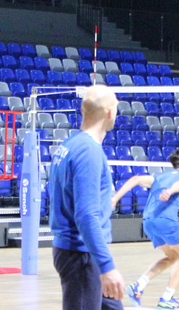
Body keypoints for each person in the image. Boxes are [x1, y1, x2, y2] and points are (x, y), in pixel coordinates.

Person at [49, 85, 126, 310]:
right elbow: (86, 215)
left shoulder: (69, 145)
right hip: (81, 254)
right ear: (110, 112)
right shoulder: (88, 152)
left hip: (80, 251)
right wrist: (107, 266)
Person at [111, 149, 179, 309]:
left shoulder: (159, 177)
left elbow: (136, 179)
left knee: (172, 256)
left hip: (148, 222)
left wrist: (115, 198)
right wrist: (170, 191)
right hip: (166, 221)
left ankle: (139, 285)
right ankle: (167, 298)